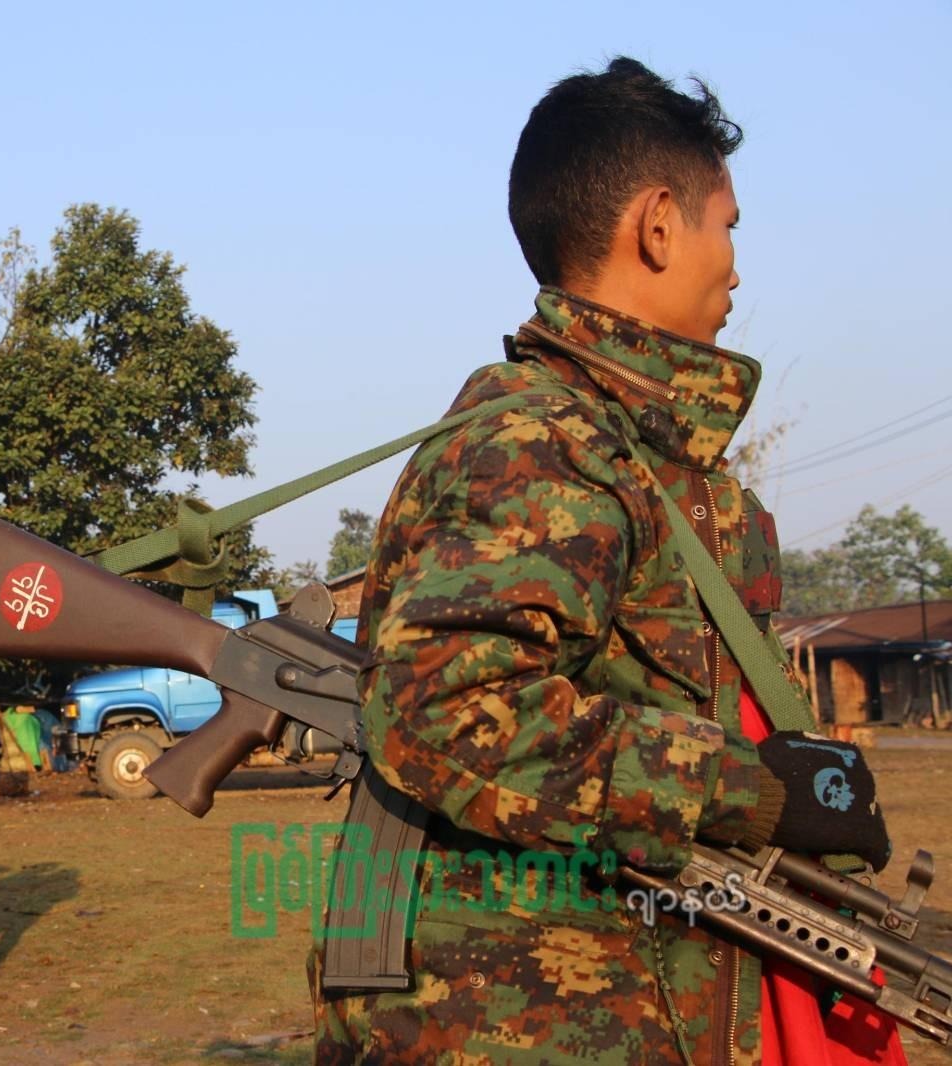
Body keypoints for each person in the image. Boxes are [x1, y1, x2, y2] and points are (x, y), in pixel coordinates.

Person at [310, 58, 896, 1065]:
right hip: (522, 1022)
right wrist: (750, 787)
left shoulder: (625, 450)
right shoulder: (545, 443)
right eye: (727, 227)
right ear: (659, 226)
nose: (735, 268)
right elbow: (445, 708)